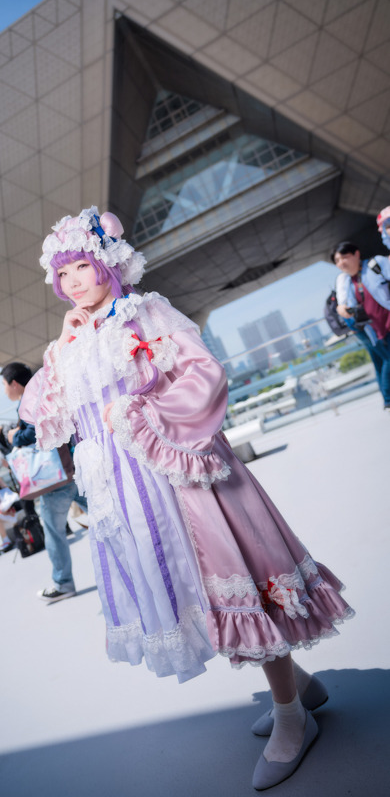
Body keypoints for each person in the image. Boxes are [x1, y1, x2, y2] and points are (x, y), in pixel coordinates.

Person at [19, 206, 354, 790]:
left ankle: (292, 715)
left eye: (81, 266)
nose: (72, 281)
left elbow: (204, 374)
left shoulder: (146, 312)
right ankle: (299, 687)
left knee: (235, 586)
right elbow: (42, 409)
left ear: (108, 264)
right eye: (63, 272)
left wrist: (145, 415)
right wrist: (67, 348)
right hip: (126, 497)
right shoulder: (70, 343)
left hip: (180, 475)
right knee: (196, 595)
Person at [0, 361, 88, 603]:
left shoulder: (28, 401)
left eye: (4, 385)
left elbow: (33, 432)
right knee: (107, 513)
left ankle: (63, 583)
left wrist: (13, 436)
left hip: (54, 478)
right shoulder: (46, 388)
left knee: (53, 532)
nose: (4, 390)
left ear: (14, 384)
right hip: (73, 465)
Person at [332, 207, 390, 410]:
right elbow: (342, 305)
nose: (340, 263)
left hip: (387, 320)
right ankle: (388, 398)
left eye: (343, 257)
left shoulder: (376, 264)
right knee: (383, 359)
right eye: (337, 261)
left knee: (385, 360)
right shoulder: (344, 281)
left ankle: (387, 398)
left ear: (356, 254)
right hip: (370, 328)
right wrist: (343, 309)